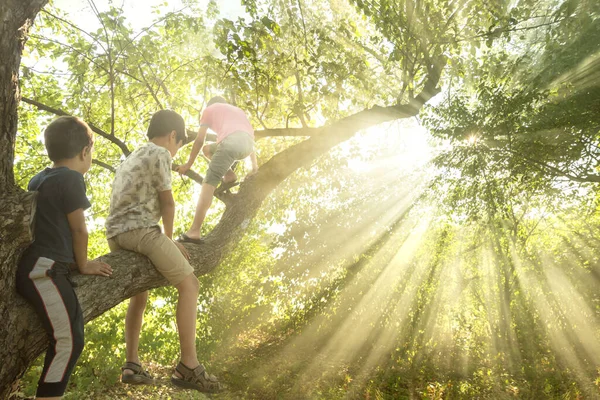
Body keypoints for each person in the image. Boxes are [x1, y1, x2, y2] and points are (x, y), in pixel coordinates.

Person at [105, 109, 221, 392]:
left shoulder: (133, 155)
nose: (176, 150)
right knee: (190, 285)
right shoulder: (160, 154)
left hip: (116, 233)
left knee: (139, 296)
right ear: (173, 136)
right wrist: (170, 240)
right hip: (140, 231)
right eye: (179, 144)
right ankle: (189, 366)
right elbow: (168, 204)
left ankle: (131, 363)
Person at [16, 116, 113, 399]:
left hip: (43, 266)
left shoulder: (41, 177)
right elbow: (78, 229)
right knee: (69, 341)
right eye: (91, 153)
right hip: (44, 271)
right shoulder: (71, 178)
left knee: (69, 337)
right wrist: (83, 264)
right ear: (85, 152)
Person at [176, 96, 258, 243]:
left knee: (209, 182)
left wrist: (188, 165)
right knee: (208, 149)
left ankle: (194, 231)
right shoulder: (238, 112)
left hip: (230, 143)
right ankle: (229, 175)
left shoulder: (209, 110)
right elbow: (249, 139)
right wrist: (254, 167)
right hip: (247, 146)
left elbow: (200, 140)